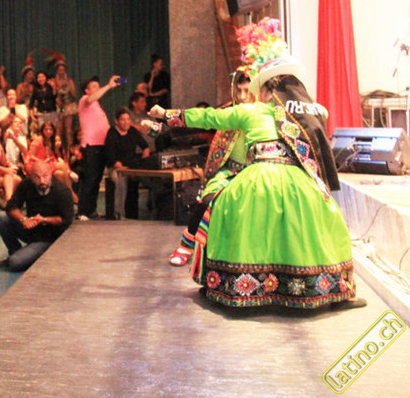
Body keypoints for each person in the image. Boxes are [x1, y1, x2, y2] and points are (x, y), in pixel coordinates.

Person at [148, 17, 361, 309]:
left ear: (266, 91)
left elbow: (208, 117)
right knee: (324, 217)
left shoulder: (251, 111)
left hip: (257, 176)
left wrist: (166, 114)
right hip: (299, 182)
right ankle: (328, 289)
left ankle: (239, 287)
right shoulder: (311, 112)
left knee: (224, 211)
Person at [168, 70, 251, 266]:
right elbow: (203, 117)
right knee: (206, 200)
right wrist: (165, 117)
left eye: (247, 91)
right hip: (230, 171)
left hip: (256, 173)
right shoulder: (229, 111)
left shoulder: (266, 113)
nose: (242, 97)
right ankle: (186, 246)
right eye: (238, 91)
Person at [0, 159, 74, 271]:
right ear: (31, 177)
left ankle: (35, 254)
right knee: (1, 217)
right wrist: (24, 219)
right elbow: (11, 206)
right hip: (31, 229)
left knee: (15, 262)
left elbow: (67, 220)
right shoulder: (27, 184)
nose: (42, 181)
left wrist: (44, 220)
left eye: (45, 176)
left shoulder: (61, 191)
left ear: (50, 174)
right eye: (37, 177)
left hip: (49, 237)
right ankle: (15, 251)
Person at [76, 75, 121, 220]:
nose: (98, 89)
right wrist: (108, 86)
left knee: (96, 180)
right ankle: (83, 211)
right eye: (94, 87)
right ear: (87, 90)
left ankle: (91, 210)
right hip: (91, 146)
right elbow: (91, 99)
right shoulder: (84, 100)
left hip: (101, 146)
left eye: (98, 86)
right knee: (90, 179)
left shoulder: (96, 105)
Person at [104, 107, 153, 220]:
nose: (126, 122)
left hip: (133, 167)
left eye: (128, 119)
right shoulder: (112, 134)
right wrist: (124, 169)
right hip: (116, 168)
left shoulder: (132, 131)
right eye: (123, 119)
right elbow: (111, 158)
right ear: (117, 121)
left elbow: (145, 147)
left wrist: (143, 162)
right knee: (121, 180)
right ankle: (119, 214)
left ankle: (150, 212)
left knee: (151, 180)